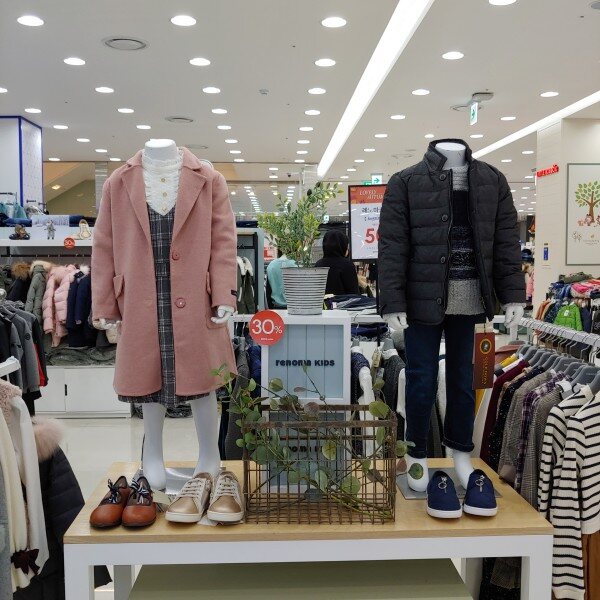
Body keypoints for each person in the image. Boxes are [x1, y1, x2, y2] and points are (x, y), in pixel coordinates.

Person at [315, 230, 359, 296]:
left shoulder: (318, 264)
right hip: (343, 302)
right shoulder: (347, 265)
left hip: (322, 302)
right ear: (342, 246)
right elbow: (354, 293)